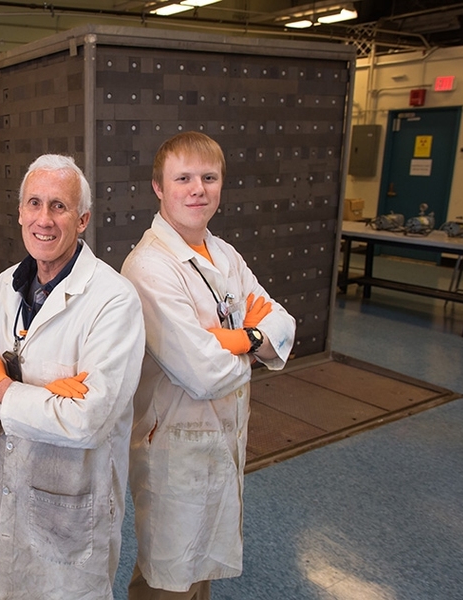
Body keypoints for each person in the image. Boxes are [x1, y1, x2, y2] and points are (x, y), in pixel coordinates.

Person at [0, 154, 145, 599]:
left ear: (82, 220)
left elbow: (88, 420)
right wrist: (40, 403)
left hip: (75, 497)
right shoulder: (7, 286)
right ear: (19, 213)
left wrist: (1, 387)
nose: (44, 218)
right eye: (34, 203)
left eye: (59, 206)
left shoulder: (113, 301)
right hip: (12, 479)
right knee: (14, 586)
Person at [121, 132, 296, 600]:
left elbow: (282, 324)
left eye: (209, 177)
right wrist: (252, 343)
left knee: (199, 573)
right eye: (183, 178)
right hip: (174, 448)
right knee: (167, 577)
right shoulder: (149, 267)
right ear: (159, 187)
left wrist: (241, 339)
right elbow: (204, 372)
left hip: (220, 437)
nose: (197, 188)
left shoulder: (223, 253)